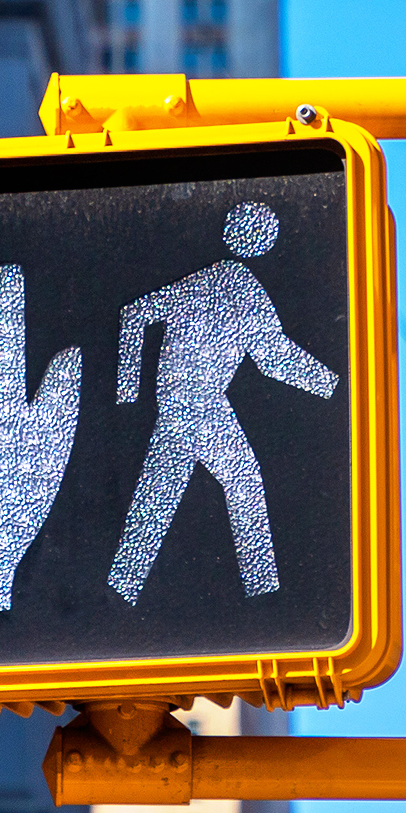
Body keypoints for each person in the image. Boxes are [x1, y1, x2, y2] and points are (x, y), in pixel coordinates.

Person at [107, 199, 339, 603]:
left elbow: (135, 313)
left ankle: (121, 592)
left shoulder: (222, 282)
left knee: (163, 493)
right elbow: (272, 358)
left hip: (188, 402)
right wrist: (126, 389)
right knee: (240, 482)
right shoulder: (233, 284)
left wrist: (133, 390)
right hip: (196, 403)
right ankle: (264, 598)